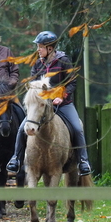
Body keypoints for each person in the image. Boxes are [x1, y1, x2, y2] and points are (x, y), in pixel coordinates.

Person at [6, 31, 92, 177]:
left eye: (40, 47)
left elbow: (72, 82)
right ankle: (16, 159)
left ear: (50, 48)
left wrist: (62, 97)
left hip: (62, 104)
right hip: (42, 106)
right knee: (22, 128)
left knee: (77, 128)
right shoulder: (38, 63)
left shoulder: (63, 60)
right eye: (38, 47)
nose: (38, 50)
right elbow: (34, 84)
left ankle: (83, 161)